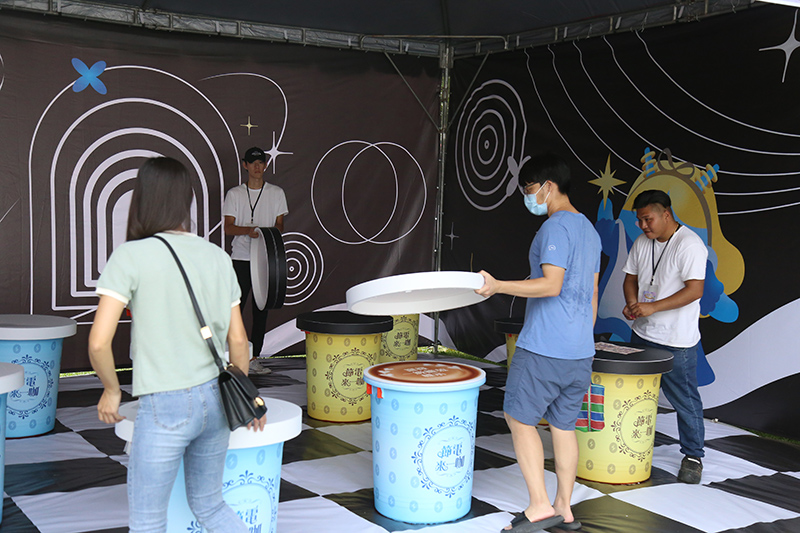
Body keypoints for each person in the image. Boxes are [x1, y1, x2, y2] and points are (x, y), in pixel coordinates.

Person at [88, 157, 266, 532]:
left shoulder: (130, 256)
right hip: (216, 401)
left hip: (165, 403)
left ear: (142, 198)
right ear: (186, 200)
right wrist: (245, 394)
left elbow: (99, 342)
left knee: (148, 521)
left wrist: (111, 391)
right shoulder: (217, 257)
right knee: (211, 506)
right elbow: (239, 340)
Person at [476, 154, 601, 532]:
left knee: (518, 418)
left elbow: (551, 285)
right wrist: (580, 336)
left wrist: (498, 285)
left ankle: (540, 506)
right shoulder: (590, 231)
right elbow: (592, 292)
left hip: (545, 346)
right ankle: (564, 507)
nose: (527, 197)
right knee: (564, 426)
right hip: (580, 350)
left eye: (529, 189)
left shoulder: (554, 228)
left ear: (548, 186)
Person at [622, 189, 707, 484]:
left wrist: (652, 307)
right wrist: (633, 303)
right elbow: (630, 278)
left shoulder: (690, 244)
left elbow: (695, 290)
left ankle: (693, 456)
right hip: (642, 332)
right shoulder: (642, 242)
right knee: (635, 395)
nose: (643, 226)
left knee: (685, 399)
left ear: (666, 214)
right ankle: (628, 444)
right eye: (639, 220)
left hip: (676, 340)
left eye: (648, 219)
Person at [222, 146, 288, 375]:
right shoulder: (235, 194)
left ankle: (254, 358)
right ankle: (232, 357)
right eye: (253, 163)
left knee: (261, 310)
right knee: (235, 309)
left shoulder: (276, 193)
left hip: (265, 258)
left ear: (266, 166)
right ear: (245, 165)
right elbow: (228, 227)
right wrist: (248, 231)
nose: (257, 167)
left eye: (261, 162)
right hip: (241, 257)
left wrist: (263, 234)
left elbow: (280, 226)